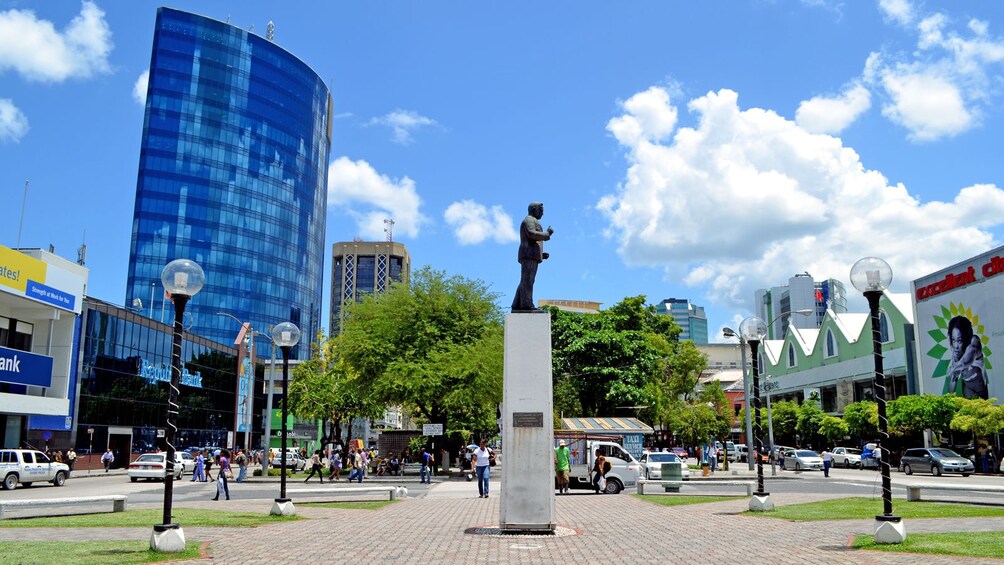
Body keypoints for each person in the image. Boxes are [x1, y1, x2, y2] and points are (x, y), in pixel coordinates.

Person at [511, 202, 554, 312]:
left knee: (526, 280)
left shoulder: (533, 220)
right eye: (541, 211)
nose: (542, 214)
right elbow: (531, 234)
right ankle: (526, 304)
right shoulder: (529, 220)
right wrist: (547, 234)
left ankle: (516, 304)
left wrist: (541, 254)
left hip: (531, 255)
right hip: (528, 255)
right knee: (528, 280)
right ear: (534, 210)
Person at [947, 315, 989, 399]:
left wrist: (956, 366)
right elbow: (953, 379)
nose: (956, 346)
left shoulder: (974, 342)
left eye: (959, 340)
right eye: (953, 340)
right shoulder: (956, 352)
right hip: (967, 387)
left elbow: (967, 358)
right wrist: (948, 401)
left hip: (980, 389)